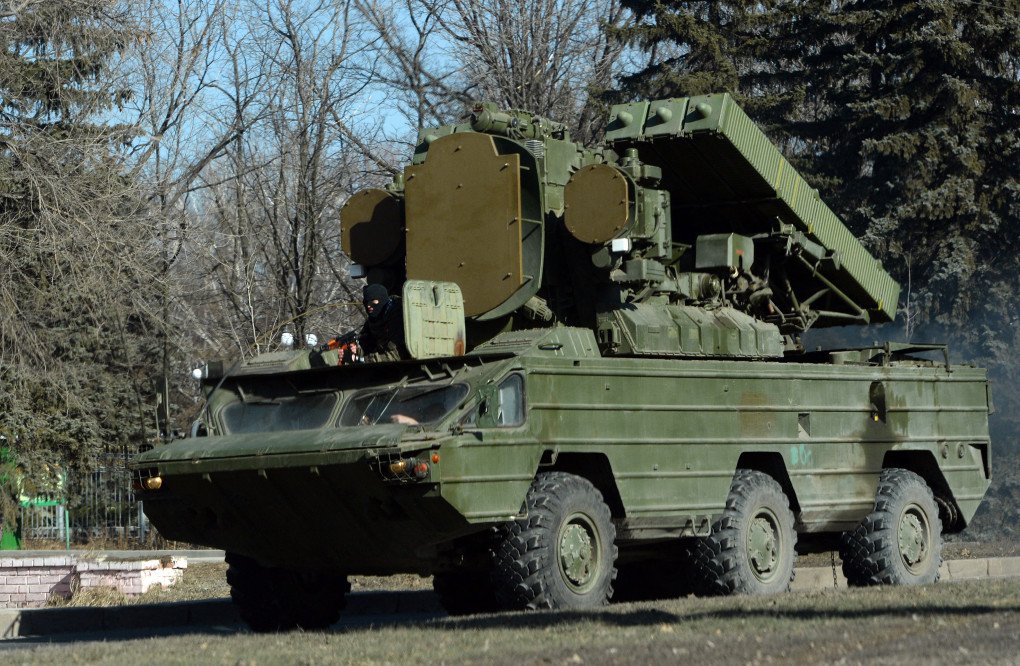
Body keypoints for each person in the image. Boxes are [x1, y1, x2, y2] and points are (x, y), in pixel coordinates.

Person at [358, 283, 409, 362]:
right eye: (366, 302)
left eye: (373, 301)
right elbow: (365, 342)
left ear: (381, 299)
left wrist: (365, 360)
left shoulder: (398, 316)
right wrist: (356, 350)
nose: (368, 306)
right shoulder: (373, 320)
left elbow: (398, 353)